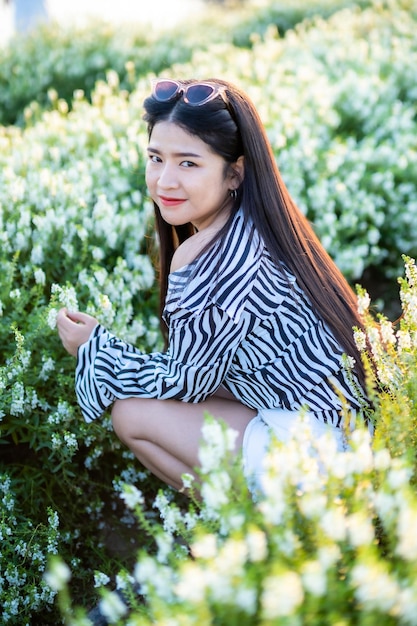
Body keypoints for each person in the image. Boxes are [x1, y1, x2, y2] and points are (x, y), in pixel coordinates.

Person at [57, 78, 369, 493]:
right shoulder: (262, 226)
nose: (165, 180)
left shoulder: (207, 255)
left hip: (318, 459)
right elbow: (209, 376)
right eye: (156, 158)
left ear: (234, 173)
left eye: (188, 163)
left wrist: (94, 346)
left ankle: (251, 532)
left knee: (131, 414)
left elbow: (183, 382)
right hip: (351, 438)